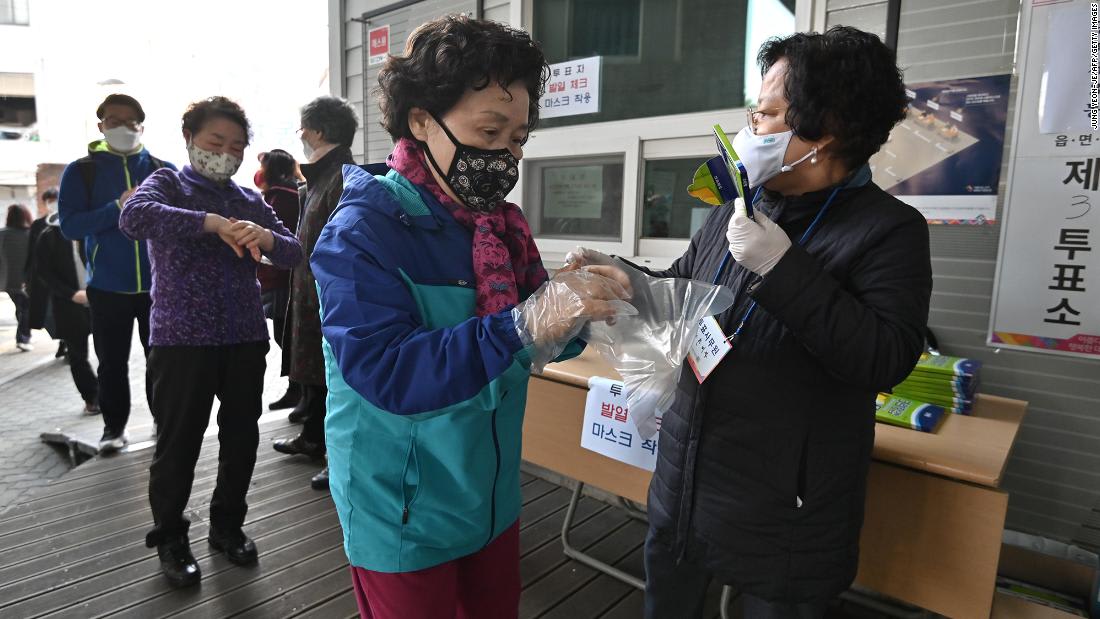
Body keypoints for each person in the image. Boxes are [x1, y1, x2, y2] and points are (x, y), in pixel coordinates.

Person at [572, 27, 932, 618]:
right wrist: (622, 276)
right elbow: (680, 290)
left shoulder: (889, 230)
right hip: (685, 479)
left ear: (827, 130)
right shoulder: (742, 204)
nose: (749, 129)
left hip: (786, 512)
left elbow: (885, 357)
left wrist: (783, 268)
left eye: (765, 114)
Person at [310, 15, 634, 619]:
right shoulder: (362, 232)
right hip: (400, 504)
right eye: (489, 131)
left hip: (488, 494)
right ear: (420, 120)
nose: (505, 155)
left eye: (518, 139)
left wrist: (583, 299)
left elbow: (550, 343)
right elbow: (387, 371)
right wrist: (523, 323)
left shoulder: (498, 228)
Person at [119, 96, 302, 587]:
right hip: (180, 342)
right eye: (215, 142)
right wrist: (210, 223)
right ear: (190, 140)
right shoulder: (168, 183)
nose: (226, 153)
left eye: (237, 145)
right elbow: (134, 218)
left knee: (241, 438)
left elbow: (293, 252)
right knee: (177, 445)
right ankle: (171, 539)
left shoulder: (248, 199)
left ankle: (227, 527)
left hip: (244, 337)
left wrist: (262, 237)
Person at [57, 94, 177, 453]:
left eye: (131, 121)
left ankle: (164, 421)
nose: (123, 127)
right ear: (100, 126)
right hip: (107, 287)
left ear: (142, 124)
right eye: (114, 121)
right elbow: (70, 226)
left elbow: (179, 223)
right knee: (112, 363)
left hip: (161, 286)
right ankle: (113, 428)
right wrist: (117, 207)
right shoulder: (82, 170)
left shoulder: (162, 168)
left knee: (163, 361)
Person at [271, 95, 359, 491]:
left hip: (334, 299)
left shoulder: (342, 177)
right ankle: (312, 439)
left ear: (319, 131)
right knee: (315, 375)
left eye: (303, 128)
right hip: (311, 293)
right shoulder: (319, 177)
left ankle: (335, 454)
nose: (301, 136)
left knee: (334, 380)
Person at [31, 210, 99, 413]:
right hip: (68, 304)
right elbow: (43, 273)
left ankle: (109, 396)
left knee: (109, 356)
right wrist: (71, 294)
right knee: (78, 355)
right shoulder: (49, 236)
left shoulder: (93, 230)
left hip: (100, 299)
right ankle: (92, 397)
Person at [254, 149, 302, 411]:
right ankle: (296, 391)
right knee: (286, 336)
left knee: (286, 336)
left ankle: (298, 391)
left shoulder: (280, 198)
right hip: (283, 277)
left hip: (281, 278)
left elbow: (278, 241)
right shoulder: (291, 191)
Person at [26, 189, 67, 360]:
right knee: (50, 314)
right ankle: (62, 340)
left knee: (67, 312)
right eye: (48, 200)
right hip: (44, 278)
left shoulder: (67, 221)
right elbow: (31, 253)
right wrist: (27, 277)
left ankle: (68, 343)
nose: (51, 203)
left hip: (66, 278)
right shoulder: (38, 225)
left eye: (54, 199)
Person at [0, 204, 32, 350]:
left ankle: (24, 337)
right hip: (26, 281)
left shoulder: (2, 234)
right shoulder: (30, 234)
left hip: (7, 281)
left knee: (21, 308)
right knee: (25, 308)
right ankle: (23, 339)